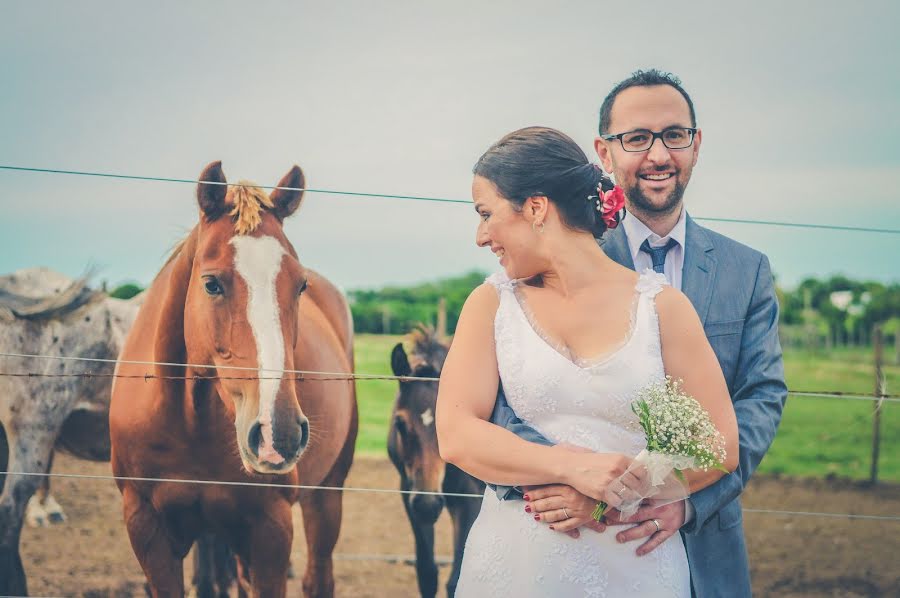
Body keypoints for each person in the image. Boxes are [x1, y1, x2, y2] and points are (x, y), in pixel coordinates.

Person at [489, 69, 788, 597]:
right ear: (603, 154)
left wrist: (685, 496)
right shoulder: (548, 260)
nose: (658, 155)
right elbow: (505, 402)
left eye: (675, 135)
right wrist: (572, 482)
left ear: (696, 146)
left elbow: (759, 399)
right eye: (636, 139)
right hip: (564, 534)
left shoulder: (747, 272)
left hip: (703, 540)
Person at [435, 124, 740, 597]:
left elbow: (717, 446)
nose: (481, 236)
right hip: (513, 565)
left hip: (634, 568)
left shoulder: (661, 307)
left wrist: (613, 497)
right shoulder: (490, 304)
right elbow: (456, 434)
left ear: (535, 207)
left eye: (486, 213)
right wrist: (567, 467)